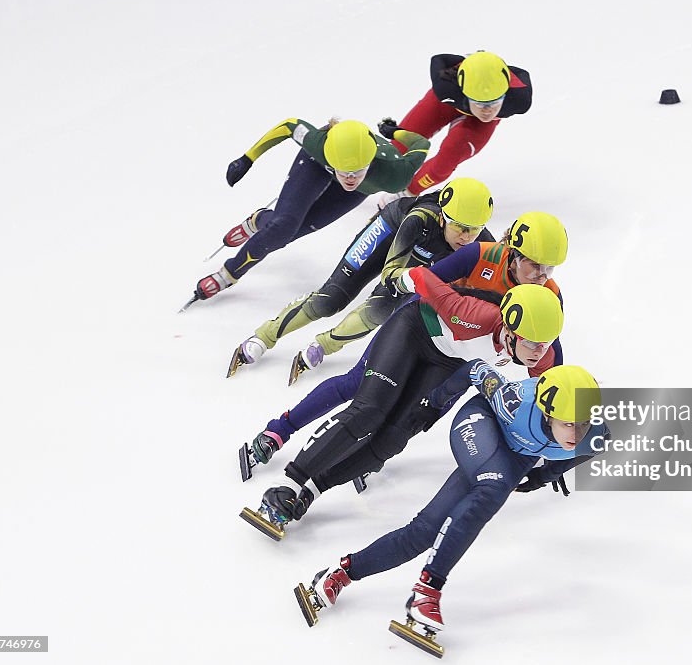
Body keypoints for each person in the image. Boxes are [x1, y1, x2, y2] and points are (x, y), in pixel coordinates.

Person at [293, 362, 608, 656]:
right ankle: (428, 590)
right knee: (493, 487)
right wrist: (432, 403)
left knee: (423, 532)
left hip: (510, 457)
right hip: (482, 423)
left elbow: (587, 447)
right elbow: (474, 369)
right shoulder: (514, 402)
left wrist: (543, 476)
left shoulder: (593, 432)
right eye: (569, 425)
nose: (577, 433)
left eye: (584, 424)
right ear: (547, 413)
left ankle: (341, 572)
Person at [236, 211, 572, 481]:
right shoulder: (481, 254)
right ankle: (279, 431)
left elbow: (549, 365)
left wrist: (556, 430)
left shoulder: (549, 296)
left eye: (549, 268)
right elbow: (426, 282)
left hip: (460, 357)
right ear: (511, 252)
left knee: (407, 421)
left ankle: (358, 451)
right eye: (533, 264)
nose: (541, 275)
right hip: (425, 325)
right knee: (360, 385)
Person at [239, 276, 565, 539]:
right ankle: (289, 483)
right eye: (531, 343)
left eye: (545, 344)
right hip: (413, 329)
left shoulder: (544, 354)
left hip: (446, 361)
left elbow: (560, 404)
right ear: (508, 330)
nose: (538, 352)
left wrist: (556, 461)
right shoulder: (475, 314)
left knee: (392, 440)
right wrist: (400, 277)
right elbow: (424, 277)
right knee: (370, 411)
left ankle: (312, 490)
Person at [226, 178, 495, 378]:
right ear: (442, 218)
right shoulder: (420, 218)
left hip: (416, 256)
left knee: (381, 309)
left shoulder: (480, 242)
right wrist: (414, 280)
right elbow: (391, 273)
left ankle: (324, 345)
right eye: (460, 228)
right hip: (389, 231)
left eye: (475, 230)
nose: (467, 237)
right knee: (331, 299)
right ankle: (265, 336)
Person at [185, 118, 430, 306]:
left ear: (372, 162)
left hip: (366, 179)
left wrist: (394, 132)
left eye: (357, 171)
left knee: (290, 232)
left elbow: (421, 144)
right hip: (317, 164)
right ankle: (228, 274)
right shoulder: (319, 145)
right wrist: (247, 158)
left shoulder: (395, 174)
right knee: (282, 228)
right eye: (344, 172)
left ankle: (260, 220)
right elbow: (289, 126)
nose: (350, 179)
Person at [378, 51, 532, 198]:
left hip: (475, 120)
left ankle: (406, 194)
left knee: (447, 159)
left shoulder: (519, 100)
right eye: (479, 103)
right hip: (448, 104)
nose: (487, 111)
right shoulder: (446, 88)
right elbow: (439, 59)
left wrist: (407, 193)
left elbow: (521, 73)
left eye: (495, 103)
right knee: (397, 148)